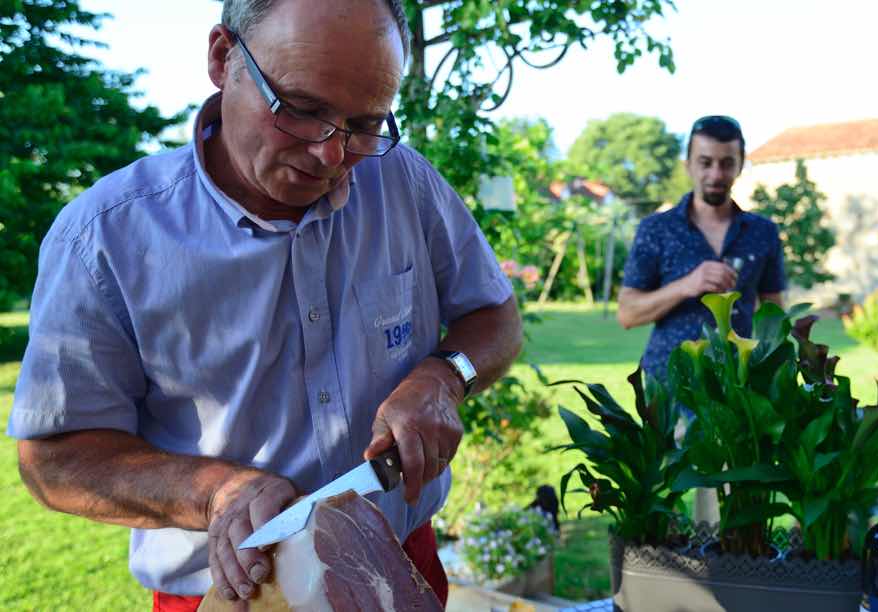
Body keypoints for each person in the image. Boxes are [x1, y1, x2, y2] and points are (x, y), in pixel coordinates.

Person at [6, 1, 522, 610]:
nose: (332, 154)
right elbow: (55, 460)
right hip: (233, 592)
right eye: (303, 111)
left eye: (365, 124)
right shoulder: (106, 236)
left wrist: (445, 375)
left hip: (397, 560)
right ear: (224, 58)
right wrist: (214, 494)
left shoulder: (403, 182)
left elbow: (494, 317)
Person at [617, 115, 787, 383]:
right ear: (688, 165)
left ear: (741, 165)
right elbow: (627, 313)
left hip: (738, 386)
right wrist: (686, 285)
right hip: (668, 387)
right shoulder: (656, 229)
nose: (716, 174)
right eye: (705, 163)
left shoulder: (763, 232)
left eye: (727, 163)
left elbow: (774, 317)